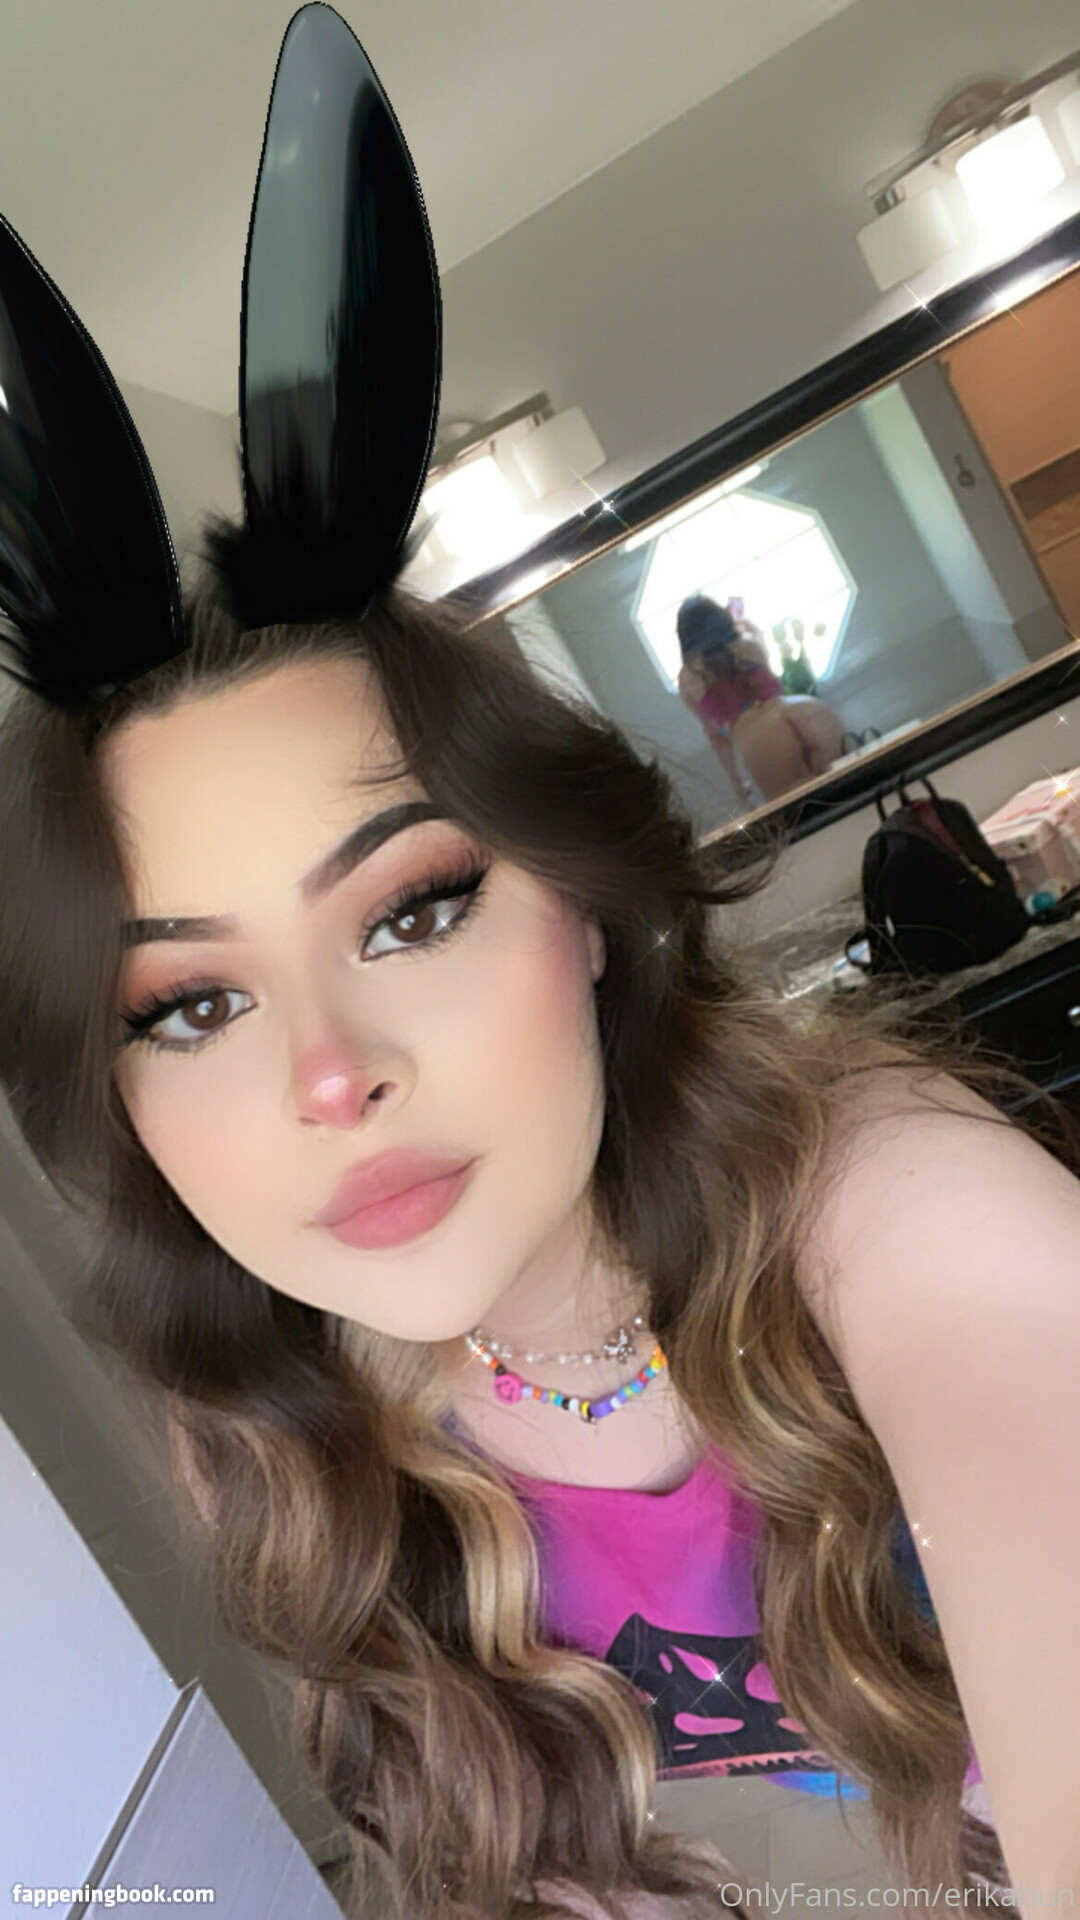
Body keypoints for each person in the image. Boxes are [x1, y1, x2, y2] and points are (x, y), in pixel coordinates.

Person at [0, 11, 1075, 1917]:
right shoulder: (278, 1402)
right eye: (191, 1004)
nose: (330, 1073)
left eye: (410, 911)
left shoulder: (893, 1211)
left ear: (579, 907)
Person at [675, 596, 846, 804]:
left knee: (800, 808)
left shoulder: (687, 679)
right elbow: (773, 682)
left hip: (756, 742)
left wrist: (736, 781)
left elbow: (716, 737)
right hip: (803, 709)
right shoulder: (749, 645)